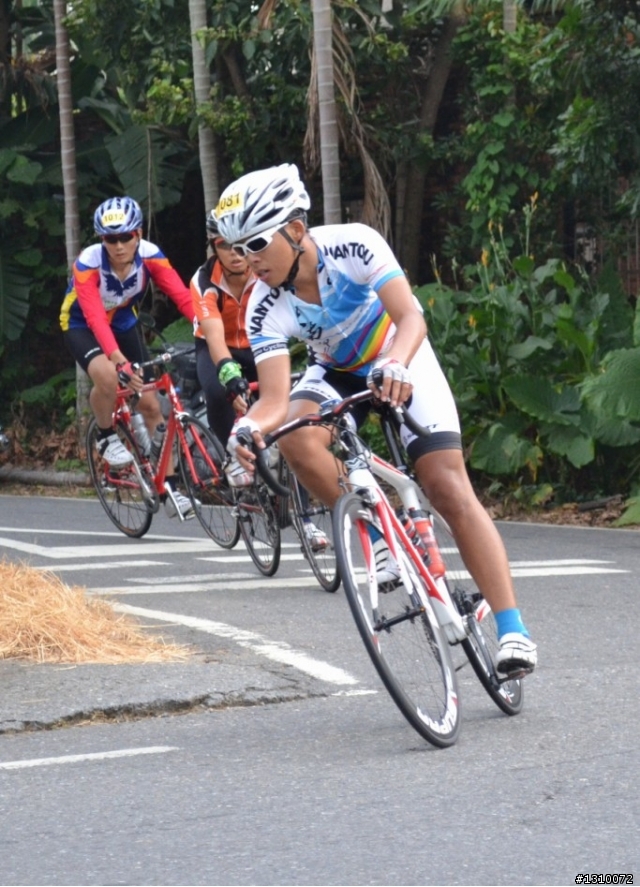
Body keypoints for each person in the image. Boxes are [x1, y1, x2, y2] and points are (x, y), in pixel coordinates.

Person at [212, 163, 537, 676]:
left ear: (295, 230)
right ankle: (379, 537)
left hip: (397, 352)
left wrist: (396, 362)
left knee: (445, 485)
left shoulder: (354, 245)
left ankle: (513, 628)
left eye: (256, 244)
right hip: (337, 370)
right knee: (296, 437)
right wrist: (248, 428)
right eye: (236, 250)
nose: (247, 262)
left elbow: (412, 318)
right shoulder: (261, 304)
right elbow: (273, 399)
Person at [190, 210, 329, 551]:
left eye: (241, 245)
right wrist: (229, 375)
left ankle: (306, 519)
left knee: (286, 421)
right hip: (217, 348)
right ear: (213, 247)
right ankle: (232, 456)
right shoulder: (205, 280)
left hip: (260, 345)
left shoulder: (266, 272)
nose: (236, 254)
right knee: (217, 390)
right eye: (224, 245)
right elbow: (213, 335)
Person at [60, 195, 197, 519]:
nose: (119, 245)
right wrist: (119, 361)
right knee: (108, 375)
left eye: (126, 237)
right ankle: (107, 437)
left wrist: (208, 330)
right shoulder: (89, 263)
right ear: (101, 239)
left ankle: (170, 486)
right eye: (110, 238)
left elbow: (181, 296)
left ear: (138, 234)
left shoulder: (151, 257)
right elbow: (93, 316)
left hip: (122, 320)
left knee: (150, 405)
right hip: (81, 323)